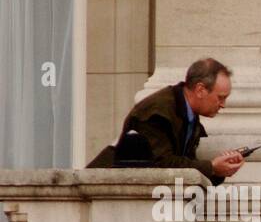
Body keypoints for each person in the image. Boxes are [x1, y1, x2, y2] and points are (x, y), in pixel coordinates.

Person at [87, 58, 243, 185]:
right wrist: (212, 167)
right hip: (109, 194)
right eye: (220, 97)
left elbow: (183, 166)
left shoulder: (187, 112)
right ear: (200, 90)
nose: (223, 105)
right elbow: (162, 164)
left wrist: (219, 171)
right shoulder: (158, 111)